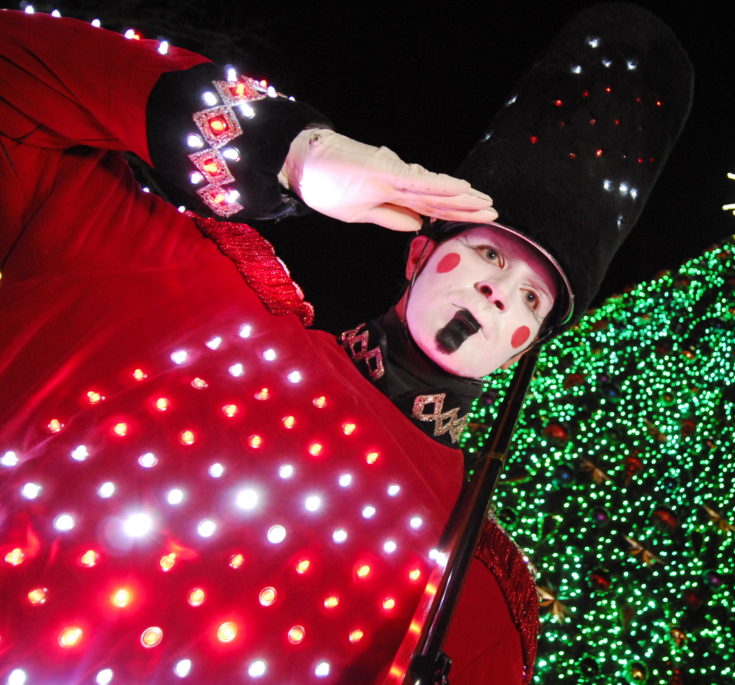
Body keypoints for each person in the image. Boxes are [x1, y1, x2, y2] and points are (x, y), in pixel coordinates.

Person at [1, 4, 693, 683]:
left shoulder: (473, 599)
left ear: (525, 348)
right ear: (419, 253)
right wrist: (285, 152)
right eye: (488, 254)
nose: (497, 290)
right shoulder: (195, 297)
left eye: (533, 298)